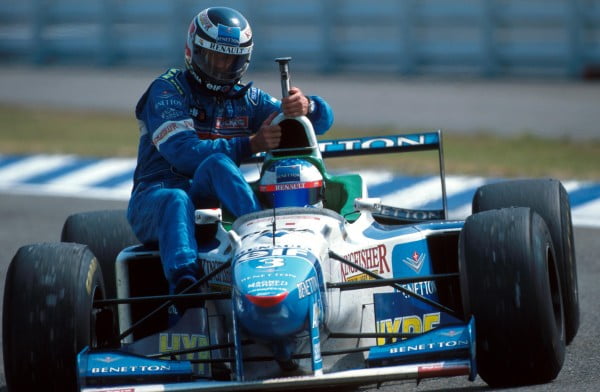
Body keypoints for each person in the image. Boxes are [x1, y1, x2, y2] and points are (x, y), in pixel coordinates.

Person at [126, 6, 334, 300]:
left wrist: (307, 107)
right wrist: (250, 144)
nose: (222, 67)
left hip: (206, 201)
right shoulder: (167, 90)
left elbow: (316, 125)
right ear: (195, 51)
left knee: (218, 165)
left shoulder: (246, 98)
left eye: (230, 60)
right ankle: (186, 286)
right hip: (155, 197)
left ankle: (267, 244)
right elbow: (184, 154)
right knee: (176, 197)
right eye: (216, 57)